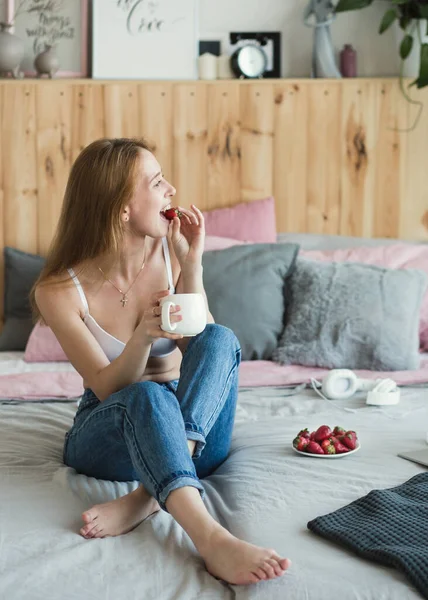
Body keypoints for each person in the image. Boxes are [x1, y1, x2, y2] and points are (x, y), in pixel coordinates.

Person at [31, 138, 291, 586]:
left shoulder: (169, 252)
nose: (171, 189)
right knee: (148, 395)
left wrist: (192, 266)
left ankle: (145, 498)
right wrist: (142, 337)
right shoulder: (58, 290)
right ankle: (210, 538)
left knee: (221, 337)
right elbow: (108, 388)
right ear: (121, 208)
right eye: (156, 182)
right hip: (112, 428)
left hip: (192, 424)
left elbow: (201, 345)